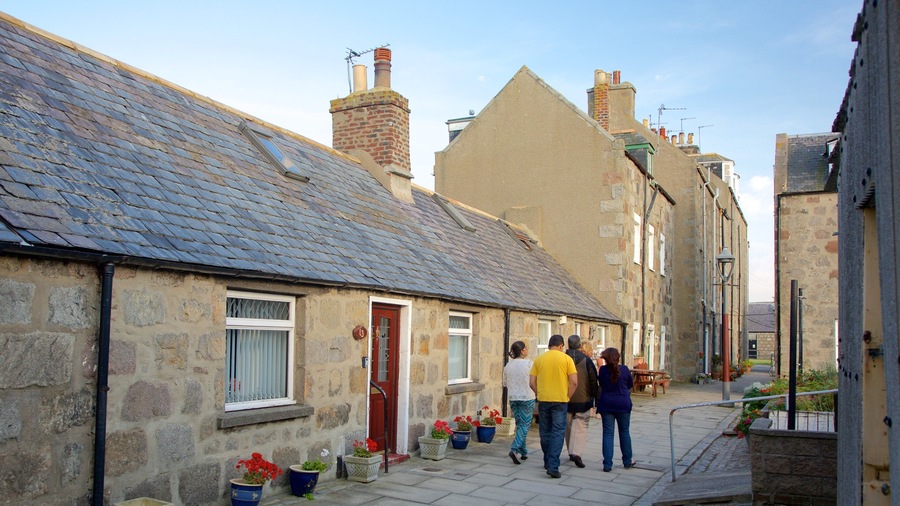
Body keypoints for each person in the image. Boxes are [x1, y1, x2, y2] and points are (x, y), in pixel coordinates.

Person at [530, 334, 577, 478]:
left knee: (545, 431)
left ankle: (547, 460)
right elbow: (574, 382)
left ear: (549, 345)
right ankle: (553, 465)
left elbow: (531, 382)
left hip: (544, 400)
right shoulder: (567, 359)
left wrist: (539, 393)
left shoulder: (539, 359)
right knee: (557, 431)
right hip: (560, 400)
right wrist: (568, 396)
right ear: (561, 346)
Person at [595, 347, 635, 472]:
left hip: (607, 403)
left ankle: (607, 464)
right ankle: (627, 460)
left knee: (608, 433)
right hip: (623, 403)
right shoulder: (624, 369)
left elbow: (601, 384)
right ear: (618, 358)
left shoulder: (602, 370)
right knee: (624, 432)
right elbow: (630, 385)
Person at [564, 334, 599, 468]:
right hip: (583, 398)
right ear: (579, 345)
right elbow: (593, 381)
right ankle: (576, 452)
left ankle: (569, 451)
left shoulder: (563, 359)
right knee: (581, 425)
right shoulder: (586, 360)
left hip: (565, 397)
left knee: (568, 426)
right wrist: (595, 398)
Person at [502, 340, 535, 465]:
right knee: (525, 425)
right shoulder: (529, 364)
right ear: (522, 351)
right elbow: (534, 380)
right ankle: (514, 449)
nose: (527, 350)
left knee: (520, 424)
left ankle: (524, 451)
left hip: (513, 397)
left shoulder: (508, 366)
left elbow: (505, 383)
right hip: (527, 396)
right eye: (526, 348)